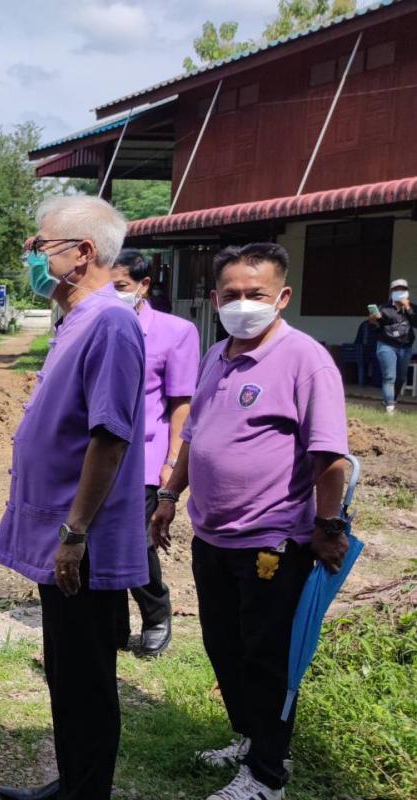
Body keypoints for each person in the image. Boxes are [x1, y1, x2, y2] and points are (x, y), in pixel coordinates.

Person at [151, 243, 350, 800]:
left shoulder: (306, 360)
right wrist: (169, 494)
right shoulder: (217, 354)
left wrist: (328, 527)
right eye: (231, 294)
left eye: (255, 294)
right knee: (225, 645)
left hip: (273, 540)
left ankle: (267, 773)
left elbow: (330, 455)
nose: (243, 304)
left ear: (282, 297)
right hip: (213, 534)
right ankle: (249, 737)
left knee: (267, 657)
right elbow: (195, 436)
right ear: (215, 299)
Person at [0, 196, 147, 800]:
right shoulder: (75, 320)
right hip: (62, 533)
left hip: (82, 541)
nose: (29, 255)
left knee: (86, 679)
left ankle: (87, 791)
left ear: (82, 253)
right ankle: (73, 783)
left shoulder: (110, 324)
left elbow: (109, 437)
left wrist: (76, 532)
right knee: (66, 670)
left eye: (38, 245)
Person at [109, 249, 199, 658]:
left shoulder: (175, 332)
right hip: (97, 454)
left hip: (145, 456)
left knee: (136, 542)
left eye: (121, 286)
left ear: (144, 285)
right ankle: (112, 624)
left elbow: (181, 403)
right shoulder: (95, 325)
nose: (112, 294)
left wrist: (172, 461)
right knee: (99, 540)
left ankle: (156, 614)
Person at [367, 278, 414, 414]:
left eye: (403, 290)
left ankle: (390, 400)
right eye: (397, 290)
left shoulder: (411, 308)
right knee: (389, 377)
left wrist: (408, 307)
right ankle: (390, 407)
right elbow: (374, 329)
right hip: (386, 345)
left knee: (401, 378)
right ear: (391, 292)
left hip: (405, 347)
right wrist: (372, 321)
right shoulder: (383, 308)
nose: (400, 292)